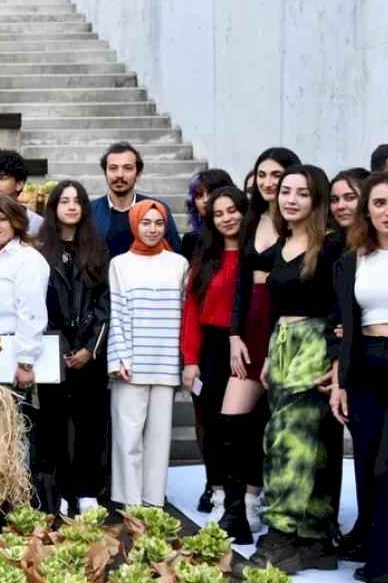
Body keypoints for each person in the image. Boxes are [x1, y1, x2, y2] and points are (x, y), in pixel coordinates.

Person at [241, 164, 344, 573]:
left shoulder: (333, 247)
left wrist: (337, 360)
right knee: (299, 442)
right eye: (286, 191)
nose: (291, 199)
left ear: (316, 199)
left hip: (315, 348)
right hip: (282, 349)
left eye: (302, 193)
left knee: (292, 444)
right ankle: (315, 539)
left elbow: (340, 307)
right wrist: (268, 356)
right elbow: (277, 309)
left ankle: (281, 538)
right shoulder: (280, 246)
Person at [228, 146, 302, 533]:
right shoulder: (251, 219)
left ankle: (267, 500)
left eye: (277, 175)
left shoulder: (297, 223)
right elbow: (241, 284)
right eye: (262, 175)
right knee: (235, 417)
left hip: (283, 327)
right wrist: (234, 334)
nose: (270, 182)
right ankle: (239, 502)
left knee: (275, 420)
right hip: (248, 327)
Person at [329, 170, 388, 583]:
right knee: (368, 466)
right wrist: (339, 383)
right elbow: (346, 327)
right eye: (380, 203)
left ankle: (385, 575)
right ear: (367, 210)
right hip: (365, 368)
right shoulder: (354, 259)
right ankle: (377, 559)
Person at [0, 195, 52, 508]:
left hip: (14, 358)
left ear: (16, 222)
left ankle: (19, 506)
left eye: (0, 219)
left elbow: (30, 312)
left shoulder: (27, 260)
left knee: (15, 438)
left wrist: (26, 361)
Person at [178, 185, 250, 541]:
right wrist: (190, 360)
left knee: (241, 425)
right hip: (211, 347)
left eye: (232, 210)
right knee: (214, 424)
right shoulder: (206, 257)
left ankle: (248, 495)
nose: (226, 218)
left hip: (245, 345)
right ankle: (220, 489)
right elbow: (191, 310)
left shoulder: (256, 253)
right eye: (218, 213)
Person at [107, 199, 188, 508]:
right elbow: (116, 312)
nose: (153, 229)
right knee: (128, 438)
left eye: (158, 223)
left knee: (158, 439)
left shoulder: (178, 263)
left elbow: (184, 313)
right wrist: (119, 359)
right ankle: (129, 501)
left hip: (166, 362)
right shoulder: (120, 264)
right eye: (146, 223)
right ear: (135, 225)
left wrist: (182, 359)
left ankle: (153, 500)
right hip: (131, 364)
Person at [36, 180, 110, 516]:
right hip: (52, 351)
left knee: (90, 423)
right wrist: (60, 346)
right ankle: (62, 490)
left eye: (77, 201)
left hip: (89, 353)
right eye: (64, 201)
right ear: (53, 208)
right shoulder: (40, 252)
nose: (70, 206)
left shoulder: (98, 249)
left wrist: (89, 348)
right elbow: (37, 304)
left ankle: (87, 489)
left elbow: (105, 304)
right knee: (54, 425)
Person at [90, 142, 181, 258]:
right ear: (105, 173)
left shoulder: (156, 209)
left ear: (138, 174)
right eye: (113, 168)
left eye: (127, 168)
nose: (119, 175)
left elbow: (175, 255)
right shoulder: (90, 211)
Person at [180, 169, 236, 260]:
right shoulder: (190, 241)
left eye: (211, 192)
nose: (205, 200)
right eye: (199, 195)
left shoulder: (244, 235)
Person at [330, 168, 372, 233]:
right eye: (334, 200)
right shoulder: (327, 241)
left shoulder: (385, 239)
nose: (340, 206)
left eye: (350, 198)